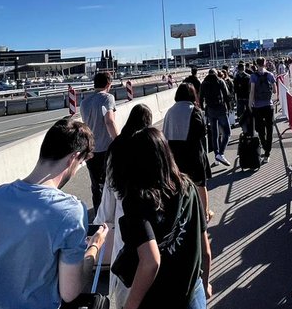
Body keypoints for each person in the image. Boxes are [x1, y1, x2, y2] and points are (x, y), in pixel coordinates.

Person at [0, 117, 109, 308]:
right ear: (73, 158)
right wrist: (95, 247)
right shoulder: (69, 212)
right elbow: (70, 291)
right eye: (80, 163)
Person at [108, 127, 213, 309]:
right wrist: (204, 283)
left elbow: (151, 261)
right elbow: (205, 250)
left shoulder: (137, 201)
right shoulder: (188, 187)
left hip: (159, 297)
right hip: (192, 292)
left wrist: (130, 306)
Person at [97, 104, 154, 309]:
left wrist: (101, 224)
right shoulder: (149, 145)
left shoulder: (116, 147)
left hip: (124, 218)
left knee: (125, 269)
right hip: (149, 215)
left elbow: (109, 193)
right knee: (149, 261)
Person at [163, 83, 213, 222]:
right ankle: (205, 213)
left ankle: (182, 215)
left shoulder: (170, 111)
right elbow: (202, 132)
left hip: (174, 154)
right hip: (193, 152)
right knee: (200, 184)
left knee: (180, 186)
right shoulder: (194, 111)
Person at [80, 71, 118, 213]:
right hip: (106, 148)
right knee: (111, 182)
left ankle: (98, 214)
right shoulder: (108, 98)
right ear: (108, 84)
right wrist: (118, 140)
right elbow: (109, 121)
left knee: (96, 185)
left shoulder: (84, 102)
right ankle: (111, 213)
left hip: (90, 150)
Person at [199, 69, 232, 166]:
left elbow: (200, 98)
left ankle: (217, 156)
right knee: (227, 133)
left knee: (215, 134)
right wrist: (229, 107)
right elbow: (226, 95)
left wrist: (203, 109)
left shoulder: (204, 83)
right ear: (216, 73)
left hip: (210, 110)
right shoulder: (220, 81)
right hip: (221, 109)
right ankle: (220, 154)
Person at [248, 57, 277, 162]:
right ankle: (267, 153)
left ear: (256, 64)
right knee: (269, 129)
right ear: (265, 64)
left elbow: (252, 92)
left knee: (260, 129)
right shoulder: (270, 75)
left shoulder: (253, 76)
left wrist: (250, 104)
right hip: (268, 106)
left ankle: (264, 146)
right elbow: (274, 90)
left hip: (257, 106)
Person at [232, 62, 252, 127]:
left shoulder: (236, 77)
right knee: (248, 111)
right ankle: (249, 125)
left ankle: (244, 126)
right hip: (247, 96)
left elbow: (234, 89)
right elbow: (250, 87)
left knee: (241, 113)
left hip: (239, 97)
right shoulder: (248, 76)